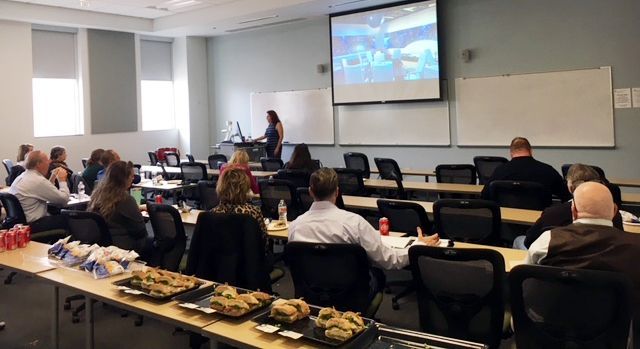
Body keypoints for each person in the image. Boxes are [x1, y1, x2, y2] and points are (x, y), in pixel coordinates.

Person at [527, 181, 640, 327]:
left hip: (552, 330)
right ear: (614, 211)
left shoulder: (548, 240)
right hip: (620, 336)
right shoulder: (636, 246)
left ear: (573, 211)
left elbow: (524, 279)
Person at [289, 167, 440, 270]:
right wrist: (417, 247)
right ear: (337, 192)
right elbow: (388, 260)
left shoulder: (296, 226)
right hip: (350, 298)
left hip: (308, 297)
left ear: (310, 192)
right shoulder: (354, 223)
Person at [515, 164, 624, 249]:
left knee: (519, 240)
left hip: (555, 265)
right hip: (602, 268)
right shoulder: (615, 216)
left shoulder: (552, 213)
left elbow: (529, 241)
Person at [480, 137, 570, 202]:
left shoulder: (500, 170)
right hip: (539, 222)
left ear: (511, 153)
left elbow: (484, 195)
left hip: (506, 222)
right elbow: (566, 196)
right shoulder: (547, 170)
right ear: (531, 151)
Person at [88, 161, 149, 255]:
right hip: (124, 248)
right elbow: (140, 231)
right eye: (132, 176)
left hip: (100, 246)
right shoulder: (125, 199)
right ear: (124, 178)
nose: (133, 179)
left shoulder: (96, 195)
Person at [9, 150, 69, 233]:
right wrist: (62, 181)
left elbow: (44, 191)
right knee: (69, 217)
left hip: (21, 224)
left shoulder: (23, 176)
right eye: (47, 160)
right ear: (38, 164)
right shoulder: (37, 180)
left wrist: (52, 177)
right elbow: (64, 200)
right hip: (34, 224)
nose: (49, 162)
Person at [212, 167, 268, 251]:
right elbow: (263, 242)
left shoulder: (212, 214)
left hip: (218, 261)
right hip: (248, 260)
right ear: (245, 189)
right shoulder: (253, 213)